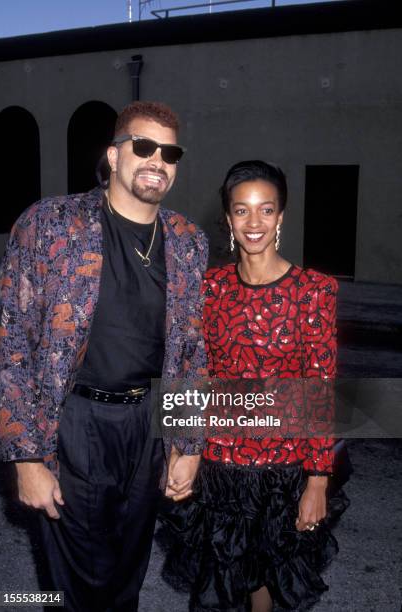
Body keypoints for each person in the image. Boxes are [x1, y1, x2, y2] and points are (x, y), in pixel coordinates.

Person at [0, 101, 208, 611]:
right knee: (75, 585)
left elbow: (192, 353)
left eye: (169, 152)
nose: (158, 160)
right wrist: (25, 456)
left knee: (125, 575)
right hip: (72, 423)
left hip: (145, 425)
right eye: (144, 146)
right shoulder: (51, 223)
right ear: (114, 156)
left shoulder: (186, 241)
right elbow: (10, 340)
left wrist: (189, 443)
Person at [160, 160, 349, 611]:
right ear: (228, 218)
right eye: (242, 211)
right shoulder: (209, 288)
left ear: (281, 216)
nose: (254, 222)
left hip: (280, 470)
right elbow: (192, 372)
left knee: (266, 580)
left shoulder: (313, 291)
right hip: (218, 466)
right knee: (222, 581)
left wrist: (317, 481)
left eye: (266, 210)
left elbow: (320, 386)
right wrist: (178, 447)